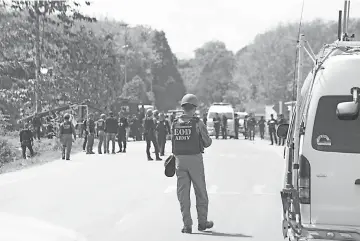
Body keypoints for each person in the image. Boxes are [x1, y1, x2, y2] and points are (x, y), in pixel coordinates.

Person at [172, 93, 213, 234]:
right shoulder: (197, 123)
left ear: (183, 107)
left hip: (179, 161)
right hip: (194, 159)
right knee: (200, 191)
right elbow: (207, 143)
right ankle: (202, 222)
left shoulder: (175, 122)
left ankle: (187, 225)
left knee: (183, 194)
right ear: (194, 108)